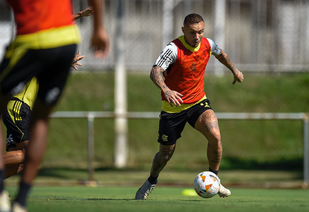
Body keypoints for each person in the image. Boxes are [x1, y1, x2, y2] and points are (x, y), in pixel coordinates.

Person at [0, 1, 109, 212]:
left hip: (32, 43)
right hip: (66, 43)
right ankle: (20, 203)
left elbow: (37, 19)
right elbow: (53, 20)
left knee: (22, 156)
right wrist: (97, 27)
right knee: (25, 154)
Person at [135, 13, 244, 200]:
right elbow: (155, 71)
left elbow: (221, 54)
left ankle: (214, 181)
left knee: (215, 136)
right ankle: (151, 181)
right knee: (165, 155)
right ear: (183, 30)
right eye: (192, 33)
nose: (197, 37)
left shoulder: (208, 44)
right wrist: (167, 90)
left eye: (200, 32)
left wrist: (234, 70)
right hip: (173, 108)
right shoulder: (173, 49)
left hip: (197, 103)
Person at [2, 6, 92, 180]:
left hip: (21, 107)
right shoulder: (34, 43)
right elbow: (54, 27)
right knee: (29, 155)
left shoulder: (40, 50)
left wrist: (66, 62)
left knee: (18, 165)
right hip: (19, 106)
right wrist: (80, 15)